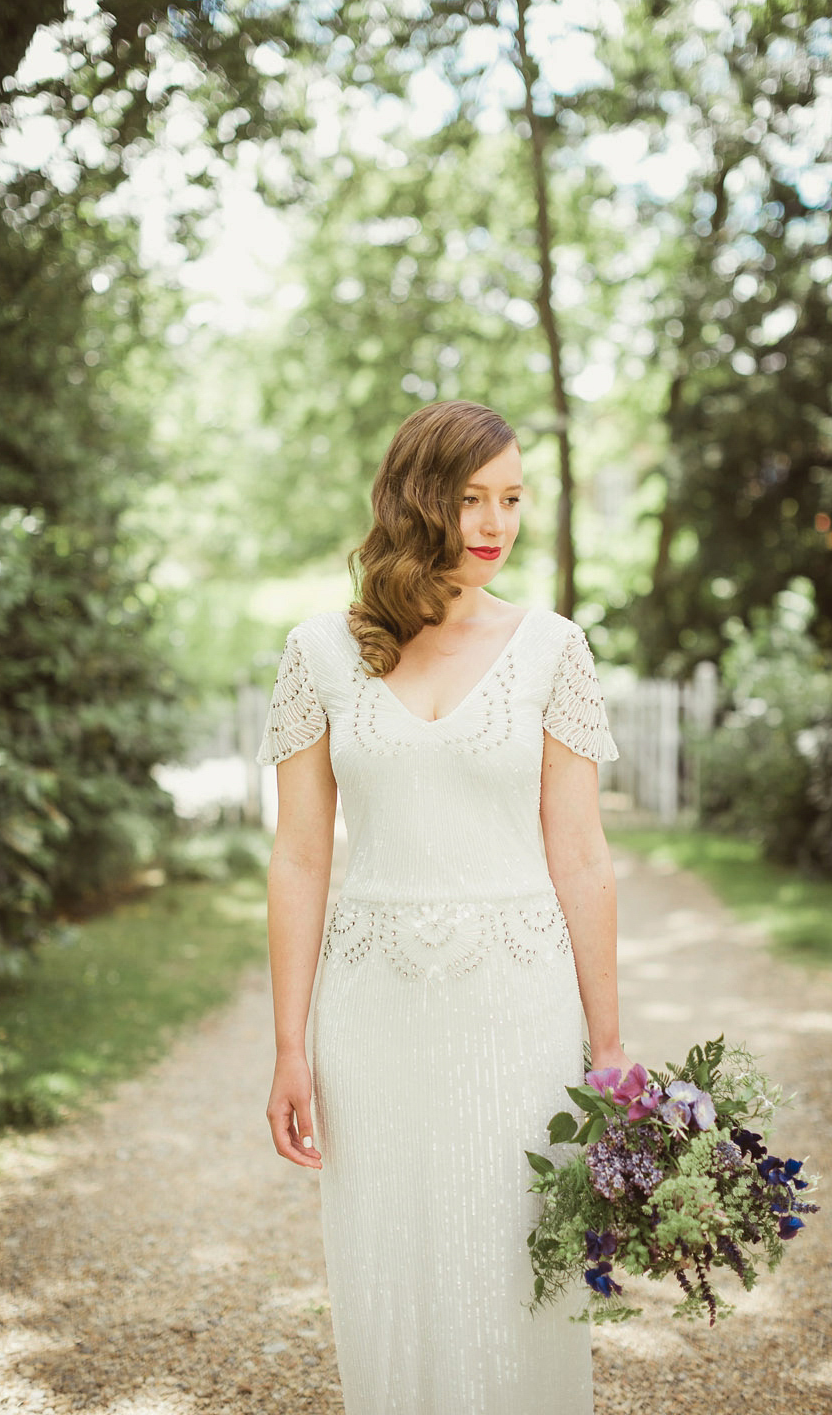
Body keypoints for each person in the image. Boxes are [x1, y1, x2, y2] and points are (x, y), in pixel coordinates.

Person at [255, 399, 624, 1415]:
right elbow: (297, 859)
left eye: (511, 499)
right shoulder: (320, 653)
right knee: (387, 1265)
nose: (496, 524)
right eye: (471, 499)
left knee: (522, 1267)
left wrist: (612, 1045)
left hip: (521, 1004)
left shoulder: (554, 648)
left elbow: (583, 856)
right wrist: (291, 1044)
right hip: (373, 1009)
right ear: (418, 501)